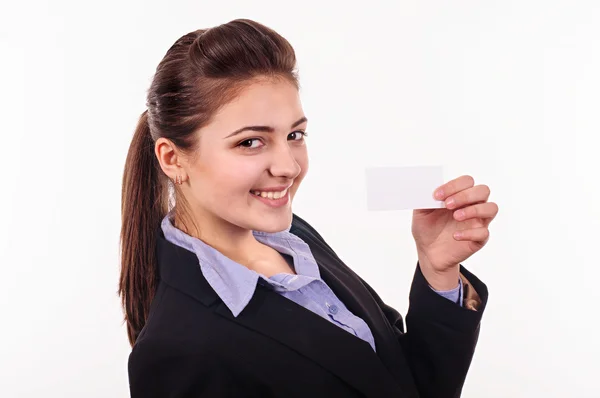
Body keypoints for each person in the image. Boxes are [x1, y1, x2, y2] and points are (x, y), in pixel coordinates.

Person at [119, 19, 498, 398]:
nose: (289, 166)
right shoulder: (177, 351)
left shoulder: (295, 238)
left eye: (294, 135)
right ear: (172, 158)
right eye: (251, 142)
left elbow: (407, 384)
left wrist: (438, 271)